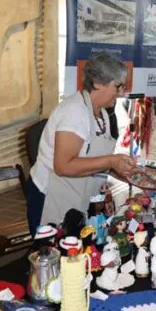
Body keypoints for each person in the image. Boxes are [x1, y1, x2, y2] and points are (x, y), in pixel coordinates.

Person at [26, 52, 136, 234]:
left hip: (78, 195)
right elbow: (63, 166)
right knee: (54, 253)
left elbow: (94, 160)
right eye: (118, 86)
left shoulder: (102, 114)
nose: (121, 93)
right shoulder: (74, 112)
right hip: (51, 197)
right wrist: (111, 161)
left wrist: (128, 173)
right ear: (97, 83)